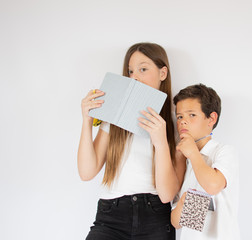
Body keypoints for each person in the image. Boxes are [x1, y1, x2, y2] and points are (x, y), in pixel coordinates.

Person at [78, 42, 182, 240]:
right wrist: (86, 121)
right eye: (131, 71)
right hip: (111, 217)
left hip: (155, 217)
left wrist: (160, 142)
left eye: (143, 69)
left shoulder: (175, 125)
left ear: (163, 73)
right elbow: (86, 172)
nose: (134, 77)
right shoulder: (115, 119)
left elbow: (167, 195)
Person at [171, 84, 240, 239]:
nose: (183, 122)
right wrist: (183, 204)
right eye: (180, 116)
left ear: (211, 119)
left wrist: (193, 153)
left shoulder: (223, 152)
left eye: (192, 115)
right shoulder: (185, 162)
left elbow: (213, 186)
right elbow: (176, 222)